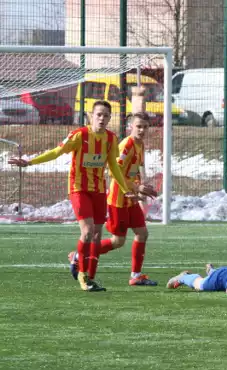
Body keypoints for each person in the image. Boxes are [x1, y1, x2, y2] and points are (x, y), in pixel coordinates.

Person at [9, 100, 135, 292]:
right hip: (79, 189)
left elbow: (114, 167)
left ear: (110, 118)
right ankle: (83, 277)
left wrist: (126, 189)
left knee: (96, 234)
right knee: (87, 231)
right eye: (99, 114)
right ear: (91, 116)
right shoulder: (80, 135)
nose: (102, 118)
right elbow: (57, 152)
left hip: (99, 190)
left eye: (106, 115)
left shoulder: (111, 139)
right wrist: (30, 162)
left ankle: (88, 272)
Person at [68, 112, 157, 286]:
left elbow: (134, 171)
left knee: (142, 233)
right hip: (118, 199)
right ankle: (79, 256)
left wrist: (140, 188)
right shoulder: (126, 145)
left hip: (131, 198)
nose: (142, 130)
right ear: (130, 126)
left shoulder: (141, 145)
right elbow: (115, 173)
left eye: (145, 127)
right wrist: (135, 187)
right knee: (118, 241)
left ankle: (135, 275)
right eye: (139, 126)